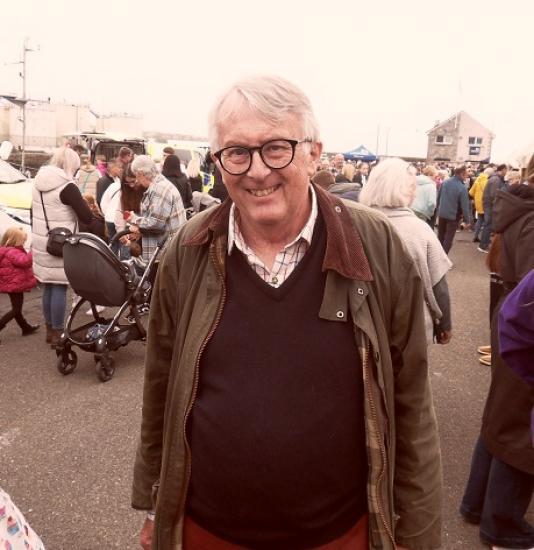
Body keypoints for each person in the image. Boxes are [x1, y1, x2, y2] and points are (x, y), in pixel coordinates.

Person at [132, 75, 441, 550]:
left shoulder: (378, 247)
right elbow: (160, 386)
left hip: (338, 535)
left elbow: (412, 408)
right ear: (219, 161)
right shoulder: (188, 249)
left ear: (314, 152)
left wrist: (417, 537)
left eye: (277, 148)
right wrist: (156, 503)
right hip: (208, 532)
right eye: (237, 152)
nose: (257, 171)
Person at [460, 160, 534, 550]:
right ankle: (501, 523)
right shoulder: (531, 219)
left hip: (511, 318)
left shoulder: (519, 210)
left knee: (501, 416)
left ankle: (477, 505)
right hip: (522, 329)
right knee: (518, 426)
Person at [360, 158, 452, 345]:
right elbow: (438, 285)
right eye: (412, 187)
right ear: (400, 190)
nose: (415, 192)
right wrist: (445, 324)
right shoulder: (420, 230)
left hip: (364, 322)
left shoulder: (356, 223)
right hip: (410, 327)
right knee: (411, 373)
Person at [31, 146, 92, 347]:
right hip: (60, 243)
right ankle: (58, 332)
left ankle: (50, 329)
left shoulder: (38, 183)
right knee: (59, 286)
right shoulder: (67, 186)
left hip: (42, 241)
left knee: (48, 285)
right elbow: (86, 217)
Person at [127, 155, 187, 262]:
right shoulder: (161, 184)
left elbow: (156, 224)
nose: (137, 180)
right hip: (168, 251)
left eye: (136, 176)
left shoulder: (158, 189)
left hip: (164, 254)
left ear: (141, 173)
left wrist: (134, 219)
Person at [0, 227, 39, 342]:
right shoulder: (13, 252)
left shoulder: (5, 250)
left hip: (11, 283)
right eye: (22, 240)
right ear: (14, 240)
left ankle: (25, 327)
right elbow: (25, 262)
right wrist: (33, 251)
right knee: (16, 309)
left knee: (16, 308)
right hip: (15, 284)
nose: (24, 242)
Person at [436, 165, 472, 254]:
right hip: (453, 216)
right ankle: (442, 260)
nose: (467, 176)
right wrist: (467, 221)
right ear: (462, 174)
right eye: (466, 174)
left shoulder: (445, 182)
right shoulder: (462, 188)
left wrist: (438, 210)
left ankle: (437, 257)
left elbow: (438, 197)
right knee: (448, 238)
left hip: (442, 213)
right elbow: (465, 206)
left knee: (441, 237)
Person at [478, 163, 508, 253]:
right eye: (506, 170)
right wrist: (498, 206)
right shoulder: (496, 179)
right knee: (488, 225)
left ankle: (484, 243)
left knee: (488, 224)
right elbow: (494, 195)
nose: (507, 172)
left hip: (489, 204)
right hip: (490, 205)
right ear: (502, 170)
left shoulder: (496, 178)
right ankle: (483, 246)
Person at [469, 166, 493, 243]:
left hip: (478, 203)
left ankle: (475, 236)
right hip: (487, 203)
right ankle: (485, 238)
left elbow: (471, 192)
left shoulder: (477, 180)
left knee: (480, 219)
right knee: (487, 222)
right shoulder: (489, 181)